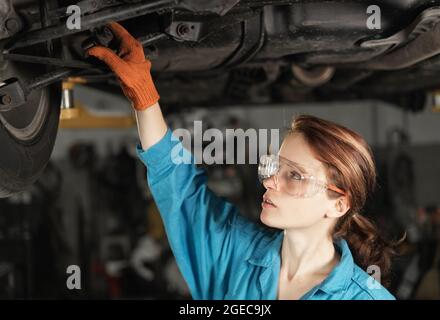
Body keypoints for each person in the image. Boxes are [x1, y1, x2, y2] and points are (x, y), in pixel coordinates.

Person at [87, 22, 398, 300]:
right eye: (276, 166)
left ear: (338, 204)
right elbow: (179, 187)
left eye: (296, 175)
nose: (269, 180)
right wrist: (145, 97)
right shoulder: (234, 251)